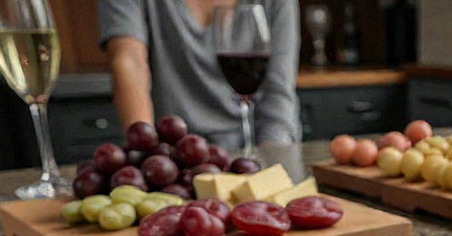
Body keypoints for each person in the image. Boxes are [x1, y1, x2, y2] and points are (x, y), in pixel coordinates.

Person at [97, 0, 301, 147]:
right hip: (173, 155)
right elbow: (129, 62)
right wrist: (147, 152)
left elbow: (277, 91)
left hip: (255, 148)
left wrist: (271, 165)